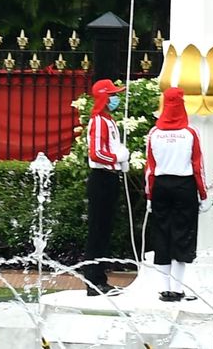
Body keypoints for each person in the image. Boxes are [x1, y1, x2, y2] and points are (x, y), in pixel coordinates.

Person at [144, 87, 211, 302]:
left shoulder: (154, 133)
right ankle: (180, 287)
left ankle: (164, 289)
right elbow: (197, 165)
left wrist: (149, 196)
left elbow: (150, 168)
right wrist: (203, 194)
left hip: (161, 186)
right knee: (184, 234)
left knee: (162, 233)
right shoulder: (190, 133)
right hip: (184, 185)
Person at [85, 78, 130, 296]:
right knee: (97, 231)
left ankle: (100, 278)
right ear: (104, 97)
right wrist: (116, 157)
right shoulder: (98, 121)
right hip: (101, 177)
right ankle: (94, 281)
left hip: (110, 177)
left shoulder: (108, 120)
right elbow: (96, 153)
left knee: (105, 231)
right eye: (112, 95)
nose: (115, 98)